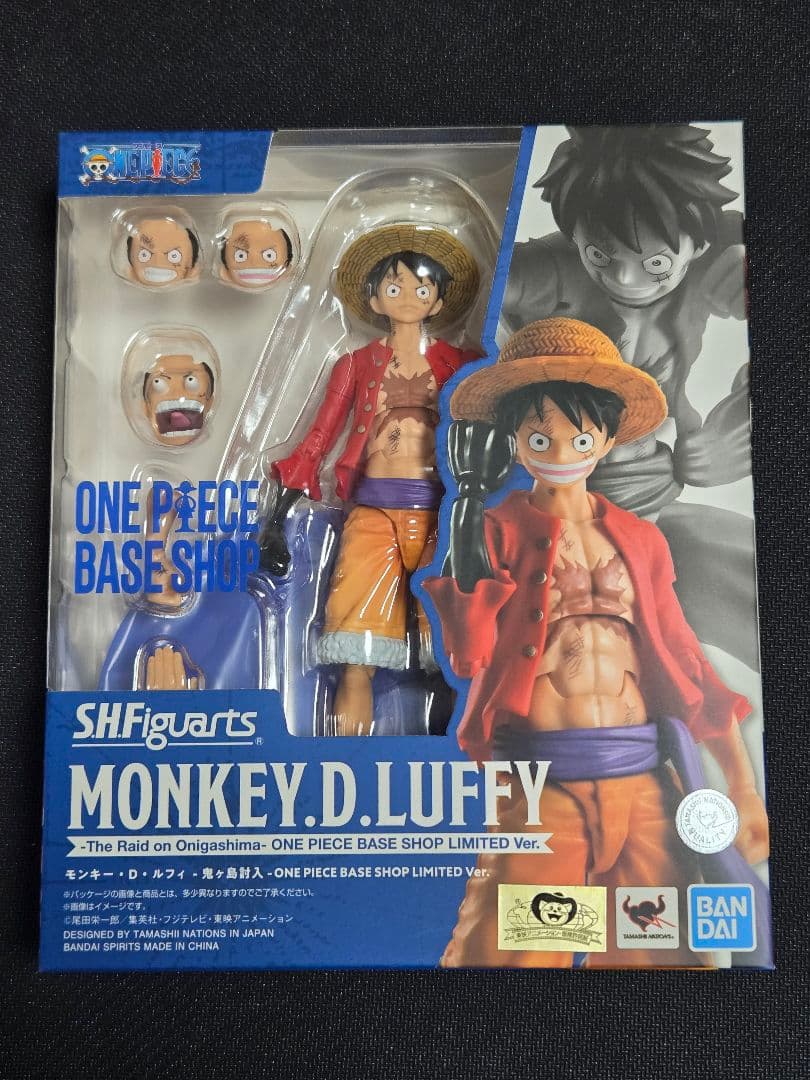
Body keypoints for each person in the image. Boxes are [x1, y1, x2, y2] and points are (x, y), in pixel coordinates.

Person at [423, 317, 769, 968]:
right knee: (521, 958)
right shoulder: (494, 529)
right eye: (539, 437)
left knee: (660, 961)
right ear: (513, 440)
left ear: (607, 439)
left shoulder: (640, 538)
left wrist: (744, 786)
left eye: (579, 437)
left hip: (643, 783)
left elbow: (686, 661)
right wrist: (465, 530)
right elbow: (468, 657)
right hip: (541, 787)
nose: (560, 452)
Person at [502, 125, 757, 669]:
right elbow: (471, 291)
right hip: (543, 502)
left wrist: (739, 429)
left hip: (650, 497)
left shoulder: (715, 256)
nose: (626, 278)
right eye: (600, 254)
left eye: (656, 264)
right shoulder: (546, 271)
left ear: (697, 245)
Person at [259, 224, 480, 734]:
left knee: (453, 649)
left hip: (443, 516)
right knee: (356, 653)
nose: (408, 296)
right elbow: (319, 437)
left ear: (439, 300)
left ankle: (458, 755)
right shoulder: (356, 364)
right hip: (373, 511)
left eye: (422, 287)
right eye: (395, 286)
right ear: (376, 298)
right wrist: (278, 515)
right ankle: (346, 756)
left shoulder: (462, 366)